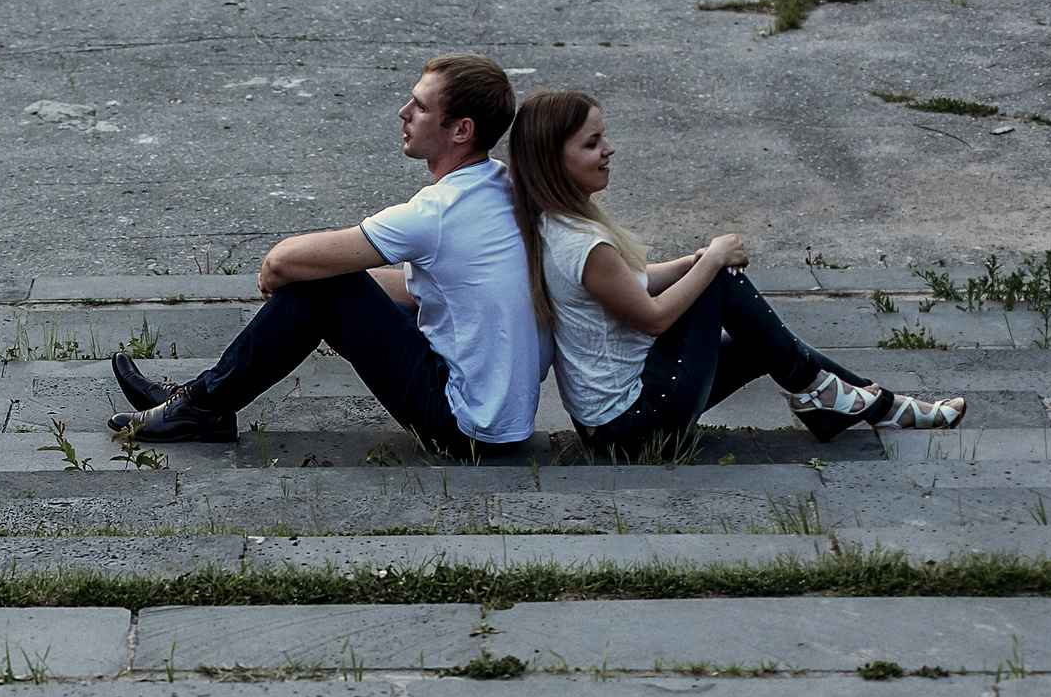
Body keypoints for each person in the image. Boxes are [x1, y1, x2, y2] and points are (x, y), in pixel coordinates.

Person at [108, 52, 549, 458]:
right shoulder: (499, 186)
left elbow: (282, 260)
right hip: (501, 422)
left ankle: (200, 407)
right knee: (328, 280)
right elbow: (428, 294)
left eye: (420, 106)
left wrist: (293, 277)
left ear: (461, 130)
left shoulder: (438, 212)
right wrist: (326, 281)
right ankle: (197, 399)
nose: (404, 112)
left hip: (461, 428)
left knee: (321, 283)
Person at [504, 89, 963, 459]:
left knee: (762, 343)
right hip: (630, 428)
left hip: (615, 420)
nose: (609, 149)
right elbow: (653, 317)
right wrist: (712, 261)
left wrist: (690, 262)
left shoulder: (554, 223)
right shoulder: (583, 243)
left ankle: (855, 403)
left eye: (603, 136)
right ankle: (876, 406)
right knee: (721, 280)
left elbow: (631, 281)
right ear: (552, 160)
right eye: (591, 143)